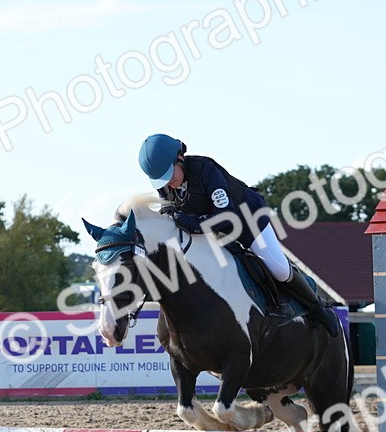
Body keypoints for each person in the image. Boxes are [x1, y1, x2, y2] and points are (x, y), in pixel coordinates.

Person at [137, 133, 339, 335]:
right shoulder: (166, 186)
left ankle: (317, 307)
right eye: (162, 179)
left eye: (169, 175)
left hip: (247, 221)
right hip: (213, 232)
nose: (168, 183)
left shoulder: (205, 170)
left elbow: (225, 217)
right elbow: (171, 213)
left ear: (179, 158)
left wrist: (189, 222)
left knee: (279, 270)